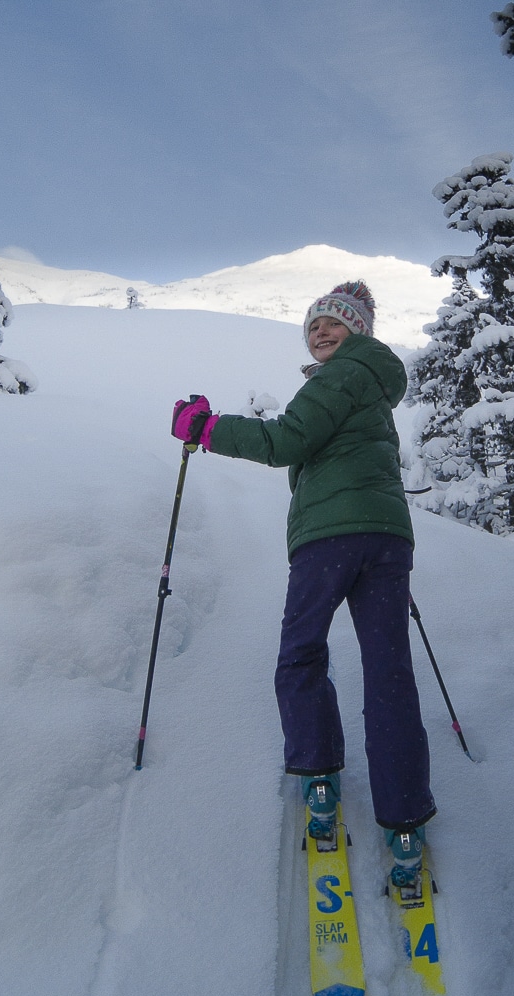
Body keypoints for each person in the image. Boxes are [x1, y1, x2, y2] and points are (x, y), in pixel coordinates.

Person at [171, 281, 435, 887]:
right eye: (314, 324)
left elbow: (284, 441)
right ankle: (404, 823)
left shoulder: (342, 375)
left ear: (358, 331)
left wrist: (205, 427)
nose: (322, 331)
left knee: (301, 653)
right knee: (389, 673)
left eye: (335, 322)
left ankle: (318, 776)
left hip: (329, 539)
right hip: (386, 539)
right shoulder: (373, 385)